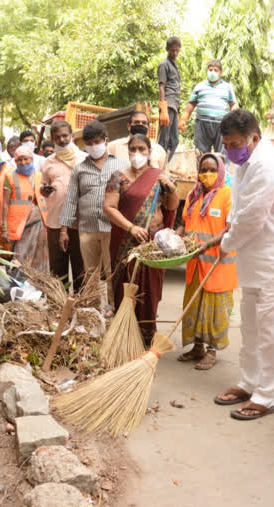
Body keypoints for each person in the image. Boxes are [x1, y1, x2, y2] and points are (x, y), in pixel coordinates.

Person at [213, 109, 274, 420]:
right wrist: (225, 232)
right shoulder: (243, 163)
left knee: (273, 333)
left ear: (254, 137)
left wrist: (226, 244)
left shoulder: (267, 165)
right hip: (257, 261)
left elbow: (253, 217)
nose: (231, 150)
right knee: (252, 328)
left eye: (236, 143)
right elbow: (239, 209)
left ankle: (267, 396)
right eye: (226, 144)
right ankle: (249, 382)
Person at [104, 134, 178, 345]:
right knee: (125, 286)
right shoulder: (117, 177)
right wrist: (131, 227)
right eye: (133, 149)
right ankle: (124, 334)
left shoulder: (158, 176)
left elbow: (171, 207)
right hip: (125, 241)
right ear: (128, 152)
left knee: (149, 290)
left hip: (152, 242)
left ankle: (146, 333)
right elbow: (109, 207)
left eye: (141, 149)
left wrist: (171, 188)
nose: (137, 154)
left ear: (149, 152)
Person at [59, 121, 128, 315]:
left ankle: (111, 308)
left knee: (111, 272)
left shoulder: (121, 165)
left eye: (97, 142)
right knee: (90, 273)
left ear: (106, 140)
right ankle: (92, 311)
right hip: (87, 229)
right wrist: (64, 230)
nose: (93, 146)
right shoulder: (79, 169)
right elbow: (71, 201)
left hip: (111, 229)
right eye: (89, 144)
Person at [177, 153, 237, 370]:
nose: (208, 174)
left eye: (213, 170)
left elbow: (230, 228)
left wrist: (208, 243)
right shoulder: (194, 196)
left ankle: (212, 352)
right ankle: (197, 347)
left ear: (220, 171)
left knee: (214, 310)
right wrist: (176, 235)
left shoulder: (228, 195)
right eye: (204, 169)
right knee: (194, 306)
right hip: (195, 264)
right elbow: (185, 223)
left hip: (218, 264)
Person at [41, 120, 86, 291]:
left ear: (72, 136)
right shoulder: (49, 162)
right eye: (58, 137)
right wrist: (44, 190)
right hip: (55, 221)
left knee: (80, 268)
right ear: (52, 138)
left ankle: (81, 309)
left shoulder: (84, 159)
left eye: (65, 135)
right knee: (57, 271)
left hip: (79, 223)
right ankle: (58, 309)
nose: (62, 140)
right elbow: (44, 185)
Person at [0, 145, 48, 273]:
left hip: (39, 223)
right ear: (15, 162)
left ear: (31, 159)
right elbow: (4, 204)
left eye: (26, 159)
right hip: (18, 225)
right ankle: (17, 288)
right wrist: (4, 228)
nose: (23, 162)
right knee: (19, 257)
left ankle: (38, 288)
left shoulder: (40, 176)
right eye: (19, 160)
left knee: (40, 257)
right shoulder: (10, 177)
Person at [178, 59, 238, 156]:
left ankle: (223, 171)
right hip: (202, 126)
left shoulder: (227, 87)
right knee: (201, 155)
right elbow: (191, 105)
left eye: (215, 70)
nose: (212, 72)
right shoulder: (199, 86)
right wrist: (183, 119)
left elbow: (234, 105)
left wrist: (233, 121)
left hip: (222, 126)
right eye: (210, 70)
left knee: (222, 155)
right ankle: (202, 171)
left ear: (220, 72)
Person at [157, 36, 182, 162]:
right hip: (168, 105)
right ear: (167, 49)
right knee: (164, 140)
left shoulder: (175, 66)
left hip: (174, 106)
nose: (175, 53)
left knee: (175, 140)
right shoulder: (164, 65)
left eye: (177, 50)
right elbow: (162, 87)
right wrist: (164, 109)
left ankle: (164, 165)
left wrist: (177, 114)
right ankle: (156, 170)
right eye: (172, 50)